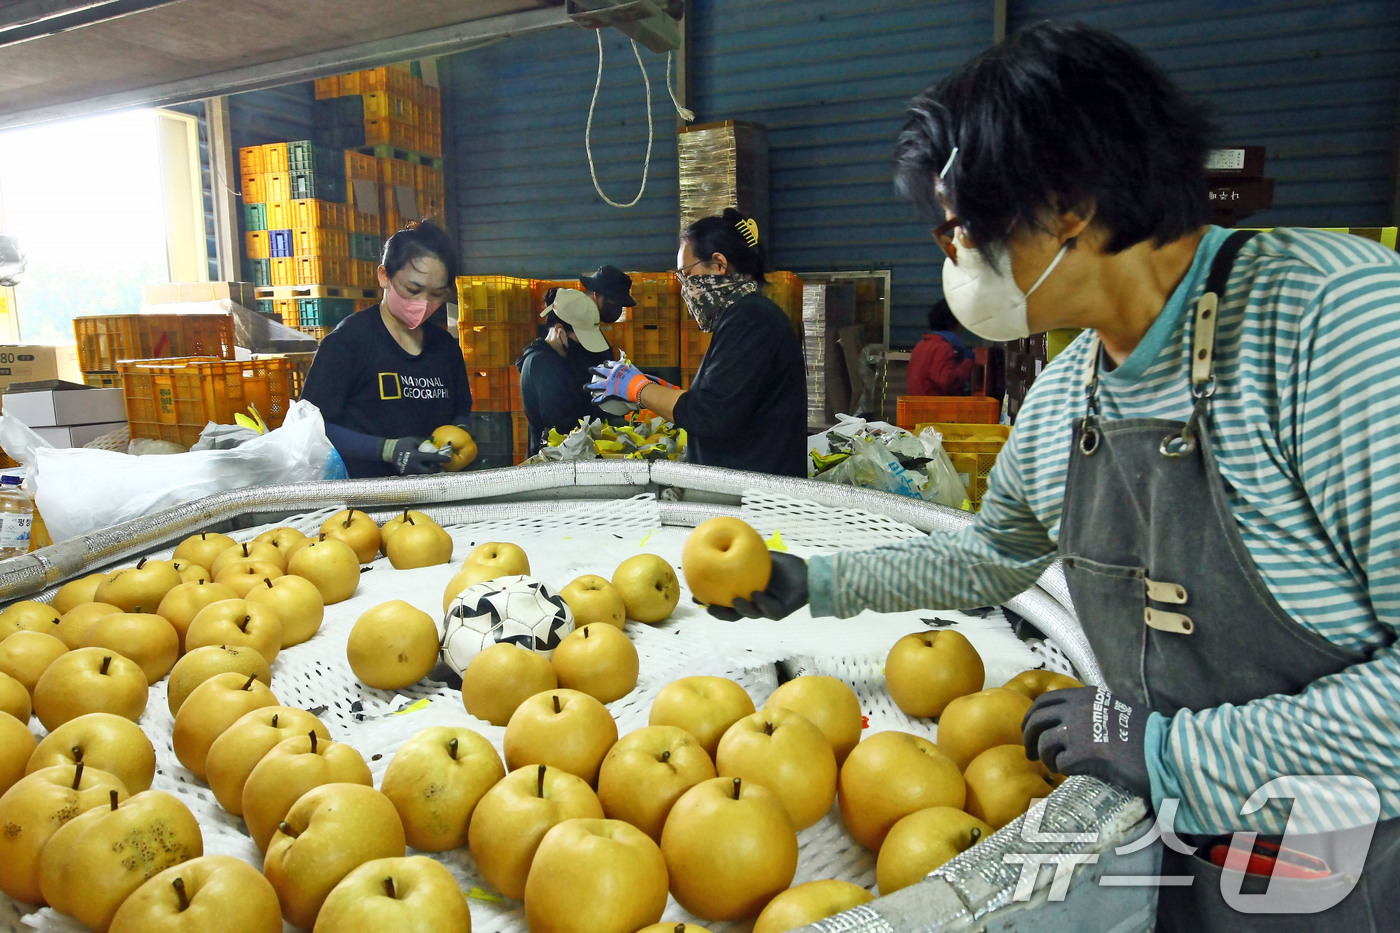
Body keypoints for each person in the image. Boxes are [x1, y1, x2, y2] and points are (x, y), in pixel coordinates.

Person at [712, 21, 1400, 930]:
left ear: (1068, 204)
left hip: (1350, 859)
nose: (949, 260)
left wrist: (1171, 753)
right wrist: (816, 583)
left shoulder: (1337, 329)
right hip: (1178, 846)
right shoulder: (1070, 393)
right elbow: (989, 558)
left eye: (955, 230)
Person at [587, 209, 807, 477]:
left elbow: (710, 415)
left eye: (686, 275)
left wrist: (639, 388)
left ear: (718, 265)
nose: (684, 289)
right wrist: (663, 392)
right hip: (745, 490)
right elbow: (729, 402)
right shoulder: (743, 316)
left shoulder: (751, 318)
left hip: (752, 500)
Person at [301, 221, 471, 478]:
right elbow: (311, 426)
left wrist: (458, 436)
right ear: (384, 276)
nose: (423, 303)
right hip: (364, 498)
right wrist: (388, 449)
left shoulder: (445, 348)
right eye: (412, 289)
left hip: (433, 490)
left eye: (436, 294)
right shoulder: (348, 342)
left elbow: (461, 409)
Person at [516, 287, 617, 455]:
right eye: (580, 340)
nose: (582, 347)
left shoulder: (558, 357)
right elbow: (561, 424)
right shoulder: (542, 363)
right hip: (551, 464)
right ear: (559, 331)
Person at [907, 299, 973, 395]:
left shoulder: (922, 344)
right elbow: (948, 381)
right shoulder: (943, 347)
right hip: (933, 407)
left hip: (918, 406)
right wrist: (968, 362)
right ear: (954, 322)